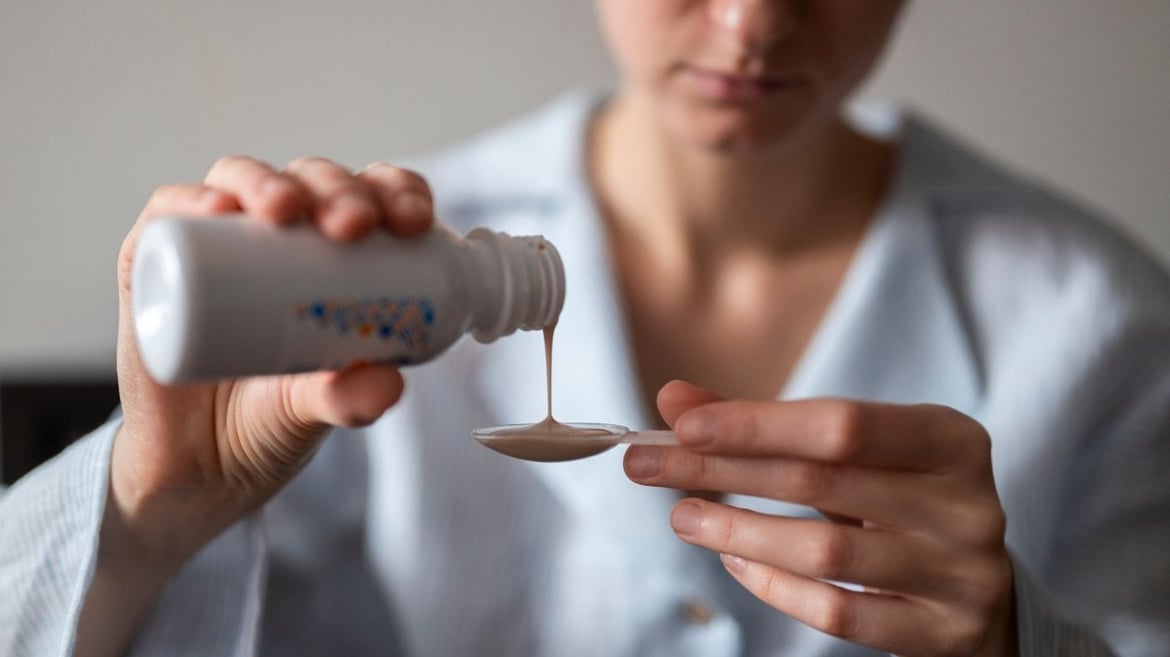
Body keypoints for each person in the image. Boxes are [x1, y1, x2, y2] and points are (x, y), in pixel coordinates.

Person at [2, 1, 1168, 655]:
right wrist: (147, 517)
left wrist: (1026, 644)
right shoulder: (359, 280)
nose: (753, 23)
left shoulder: (1098, 317)